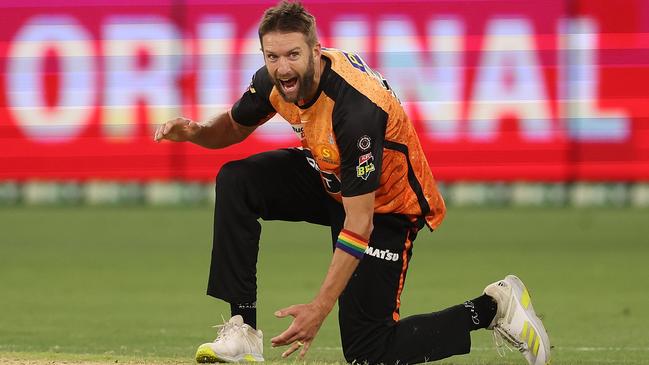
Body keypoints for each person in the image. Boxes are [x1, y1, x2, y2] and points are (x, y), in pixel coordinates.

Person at [153, 1, 551, 364]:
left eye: (293, 54)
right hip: (330, 176)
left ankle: (494, 307)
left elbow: (359, 222)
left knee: (368, 353)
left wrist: (318, 309)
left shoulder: (355, 111)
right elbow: (232, 128)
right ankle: (242, 329)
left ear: (315, 50)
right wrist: (195, 131)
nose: (283, 67)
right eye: (272, 56)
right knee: (237, 180)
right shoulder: (276, 82)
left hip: (386, 205)